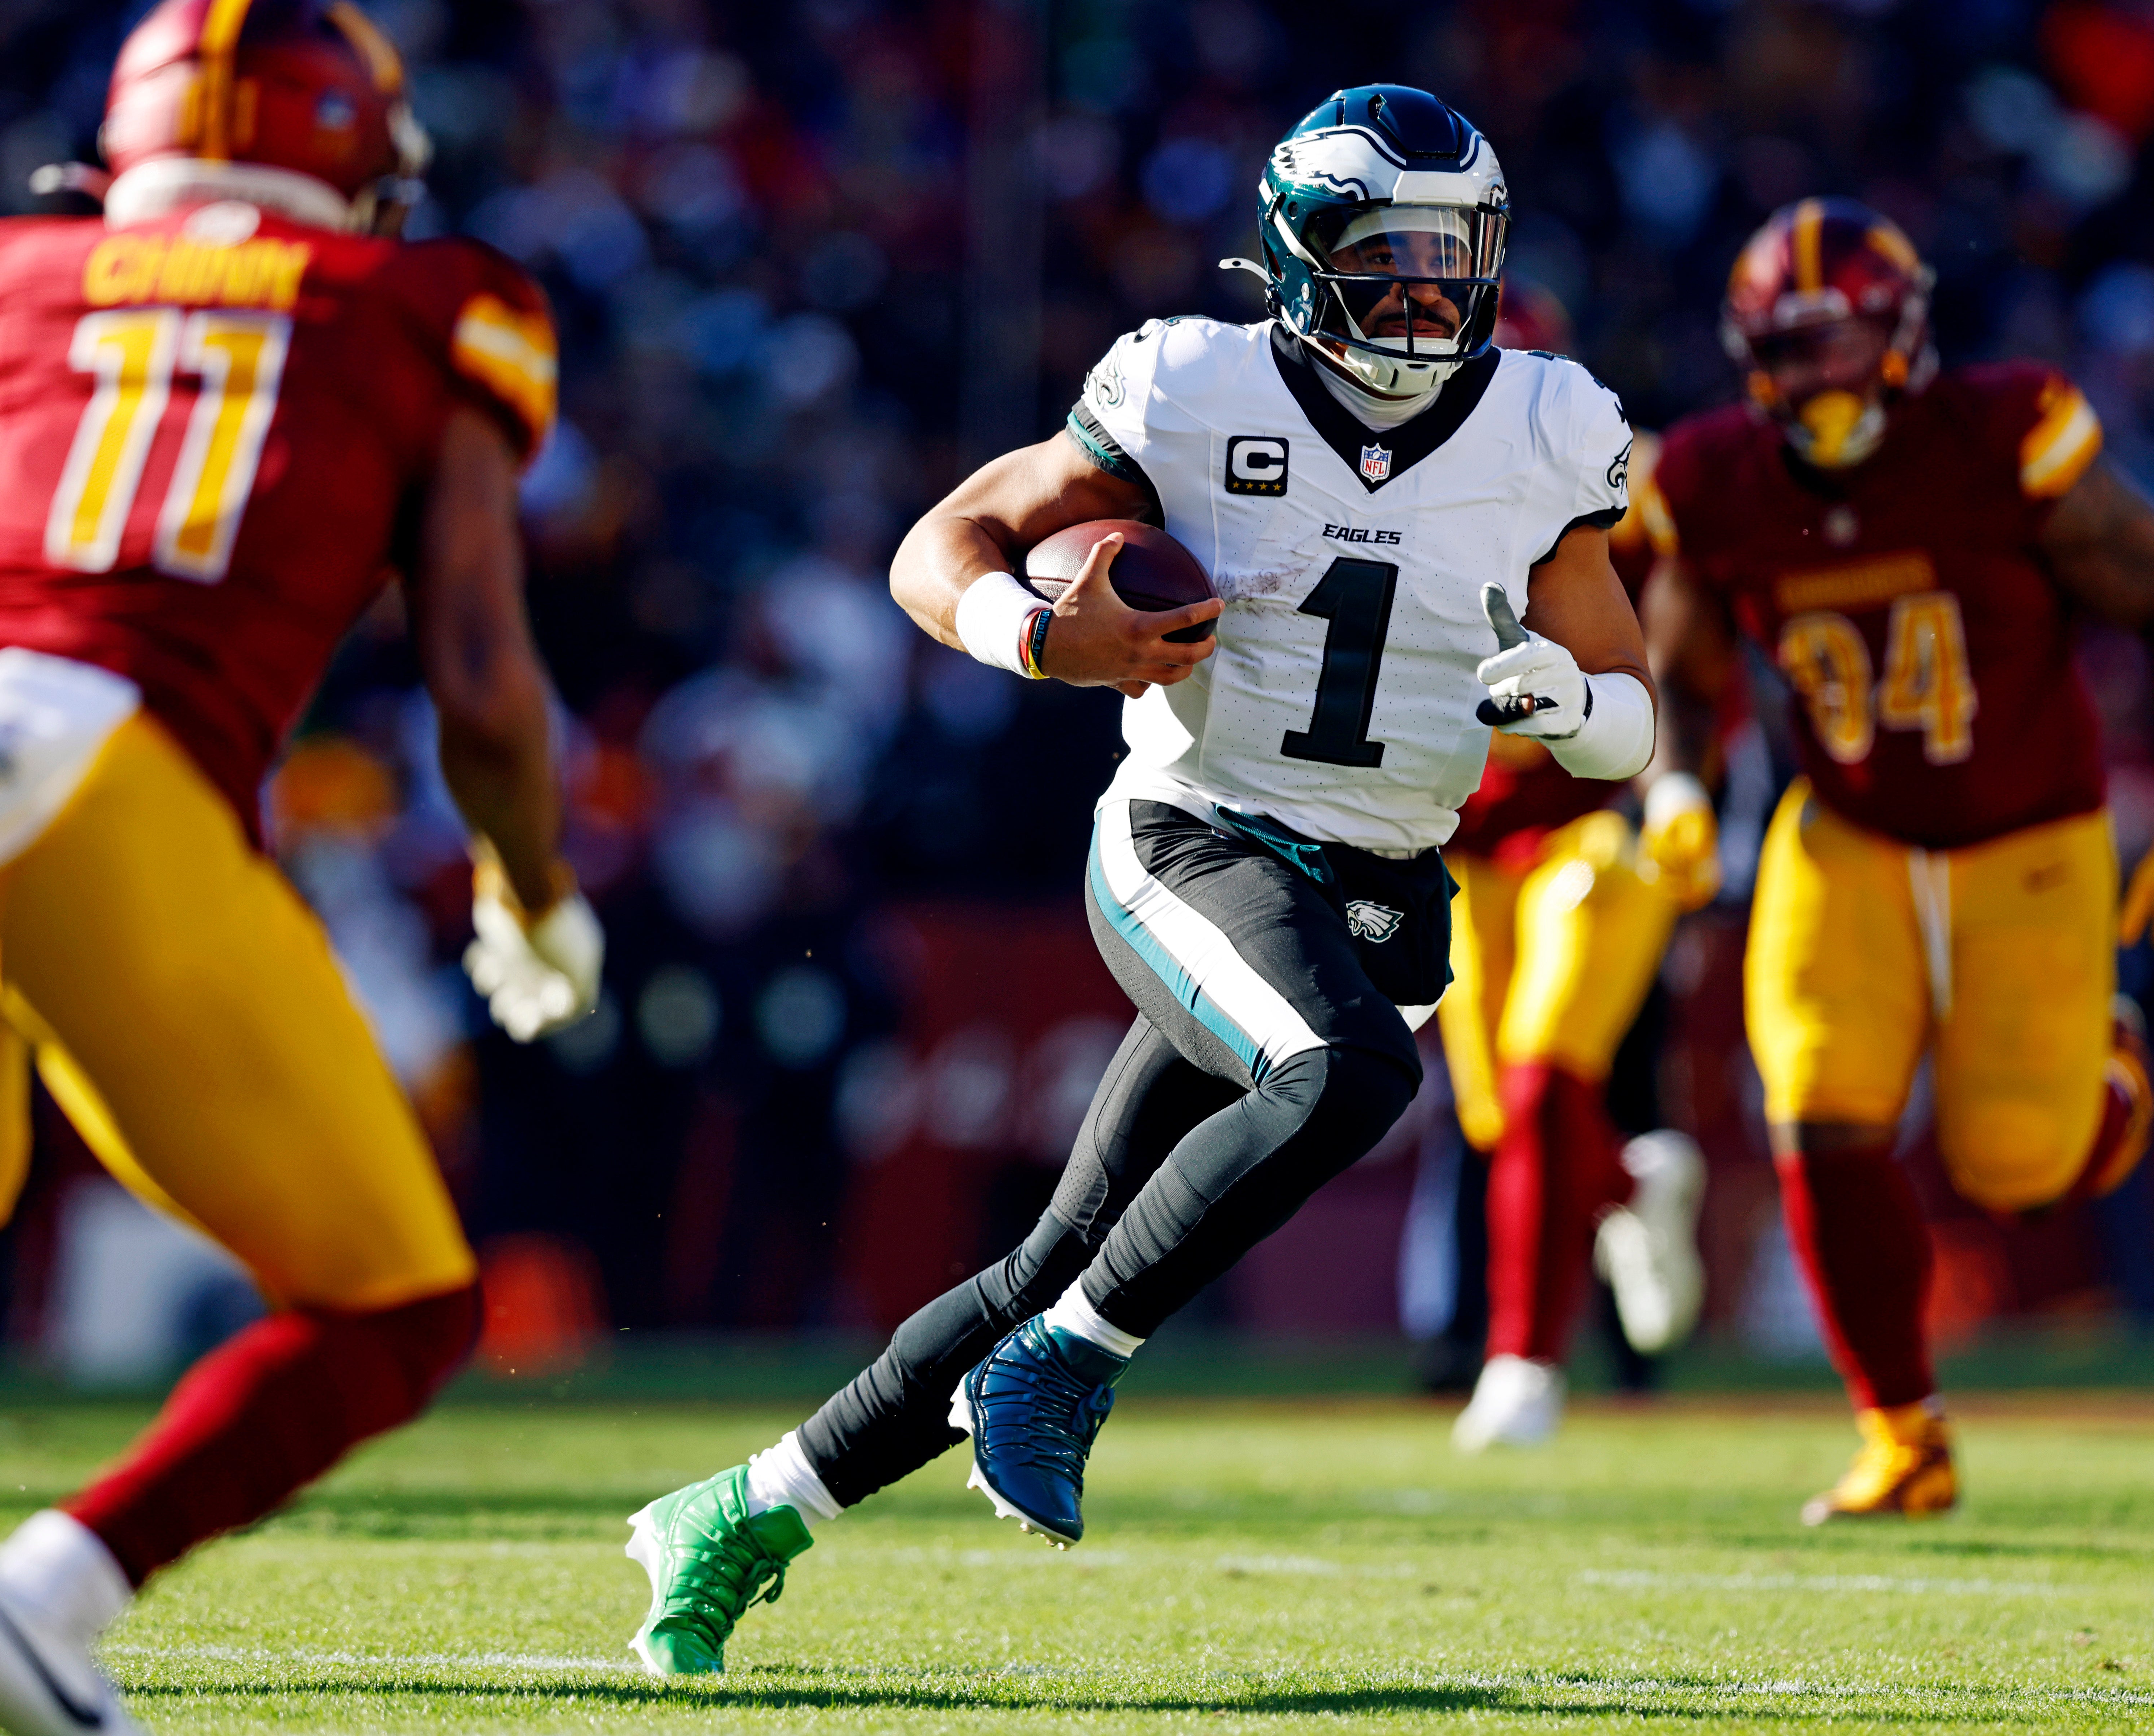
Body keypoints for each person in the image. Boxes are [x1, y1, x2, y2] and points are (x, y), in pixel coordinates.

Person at [620, 85, 1655, 1675]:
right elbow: (943, 540)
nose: (1423, 291)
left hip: (1382, 881)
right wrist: (1034, 636)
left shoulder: (1545, 424)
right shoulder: (1185, 383)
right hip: (1196, 831)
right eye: (1382, 255)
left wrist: (1564, 704)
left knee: (1057, 1251)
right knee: (1337, 1076)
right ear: (1300, 259)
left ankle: (743, 1512)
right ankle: (1068, 1366)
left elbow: (1627, 718)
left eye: (1451, 256)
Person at [0, 4, 600, 1731]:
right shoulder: (423, 309)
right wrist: (532, 891)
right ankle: (44, 1599)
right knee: (398, 1305)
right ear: (359, 169)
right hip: (99, 781)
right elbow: (482, 681)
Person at [1640, 199, 2154, 1524]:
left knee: (2019, 1163)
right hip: (1847, 829)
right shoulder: (1713, 475)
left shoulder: (2003, 434)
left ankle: (2106, 1065)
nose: (1823, 378)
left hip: (2029, 832)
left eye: (1846, 344)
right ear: (1751, 359)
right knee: (1814, 1102)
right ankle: (1903, 1433)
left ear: (1905, 336)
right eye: (1794, 351)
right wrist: (1680, 780)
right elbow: (1684, 650)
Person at [1437, 286, 1709, 1453]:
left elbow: (1699, 617)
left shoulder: (1618, 484)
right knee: (1508, 1122)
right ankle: (1631, 1188)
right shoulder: (1362, 480)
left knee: (1548, 1084)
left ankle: (1524, 1365)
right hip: (1457, 842)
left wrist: (1689, 780)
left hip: (1596, 821)